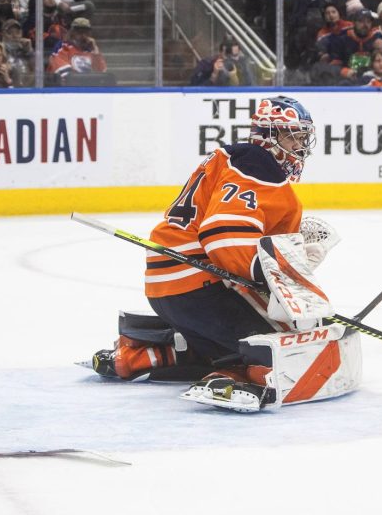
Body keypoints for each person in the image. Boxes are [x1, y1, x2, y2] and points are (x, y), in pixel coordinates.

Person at [91, 96, 361, 411]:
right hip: (198, 286)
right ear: (271, 135)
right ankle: (232, 376)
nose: (300, 146)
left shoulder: (233, 158)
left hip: (169, 285)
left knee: (224, 340)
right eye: (294, 137)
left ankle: (138, 355)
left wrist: (288, 254)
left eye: (303, 138)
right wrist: (273, 270)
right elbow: (222, 234)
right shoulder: (258, 166)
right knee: (274, 340)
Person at [46, 16, 107, 82]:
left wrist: (96, 51)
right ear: (72, 32)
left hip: (88, 85)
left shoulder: (91, 50)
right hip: (69, 86)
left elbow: (101, 71)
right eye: (79, 32)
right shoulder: (63, 46)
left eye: (86, 32)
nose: (83, 35)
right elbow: (60, 70)